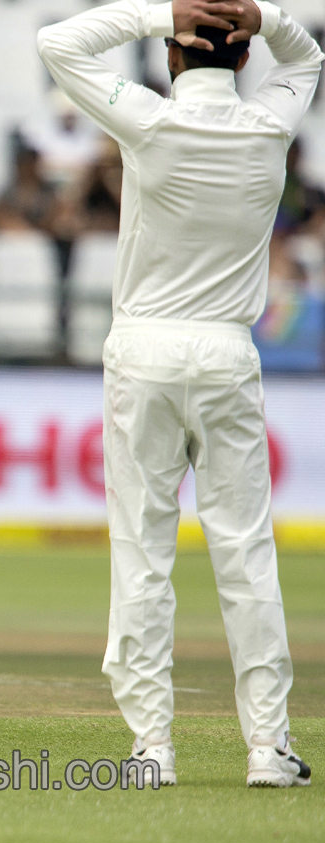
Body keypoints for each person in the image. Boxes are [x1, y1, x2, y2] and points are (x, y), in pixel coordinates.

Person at [38, 0, 321, 787]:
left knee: (142, 552)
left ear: (172, 56)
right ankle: (268, 750)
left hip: (146, 349)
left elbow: (56, 42)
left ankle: (151, 750)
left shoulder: (149, 122)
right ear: (241, 59)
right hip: (229, 352)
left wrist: (160, 10)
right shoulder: (270, 125)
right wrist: (263, 16)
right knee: (245, 554)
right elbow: (308, 59)